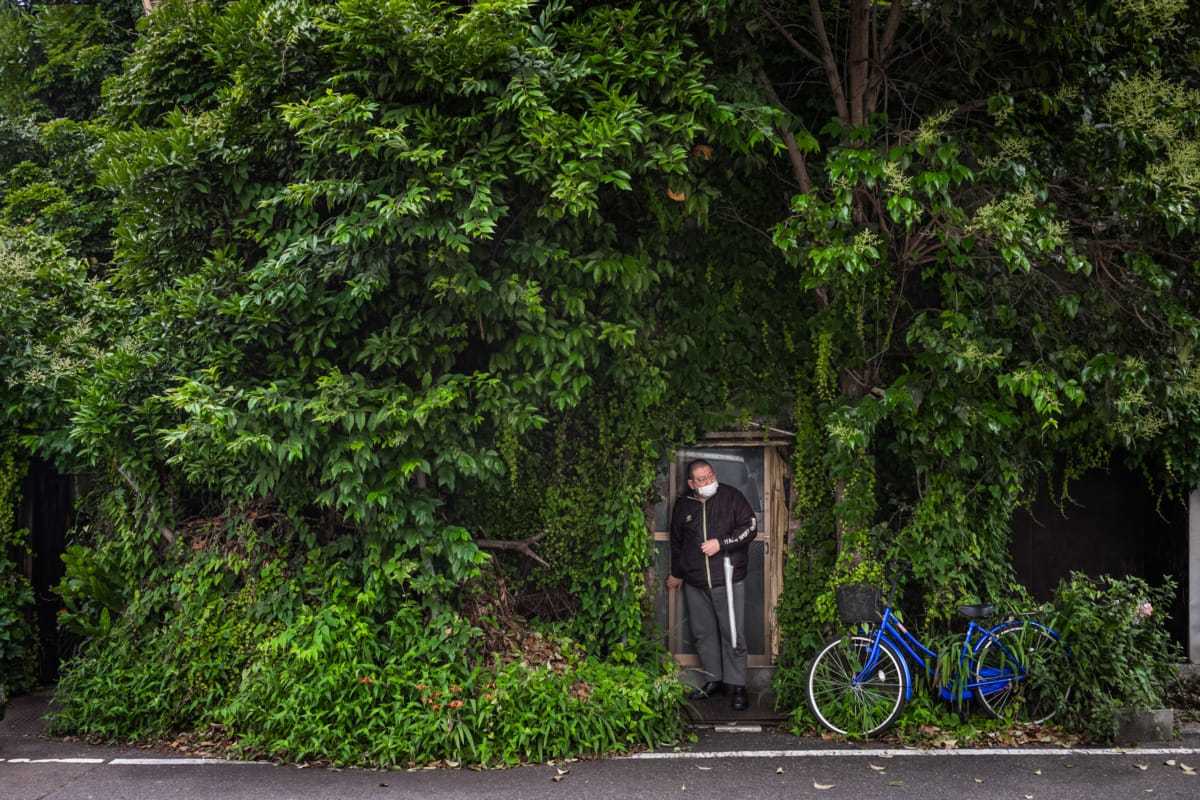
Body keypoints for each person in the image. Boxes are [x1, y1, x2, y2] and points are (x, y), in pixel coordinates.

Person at [667, 458, 755, 711]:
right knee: (703, 634)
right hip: (695, 581)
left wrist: (721, 544)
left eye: (711, 476)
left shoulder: (731, 497)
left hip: (727, 578)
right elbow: (677, 542)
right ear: (692, 483)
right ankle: (713, 679)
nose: (708, 482)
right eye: (702, 479)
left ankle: (737, 685)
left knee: (733, 634)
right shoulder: (684, 506)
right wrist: (677, 573)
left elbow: (750, 527)